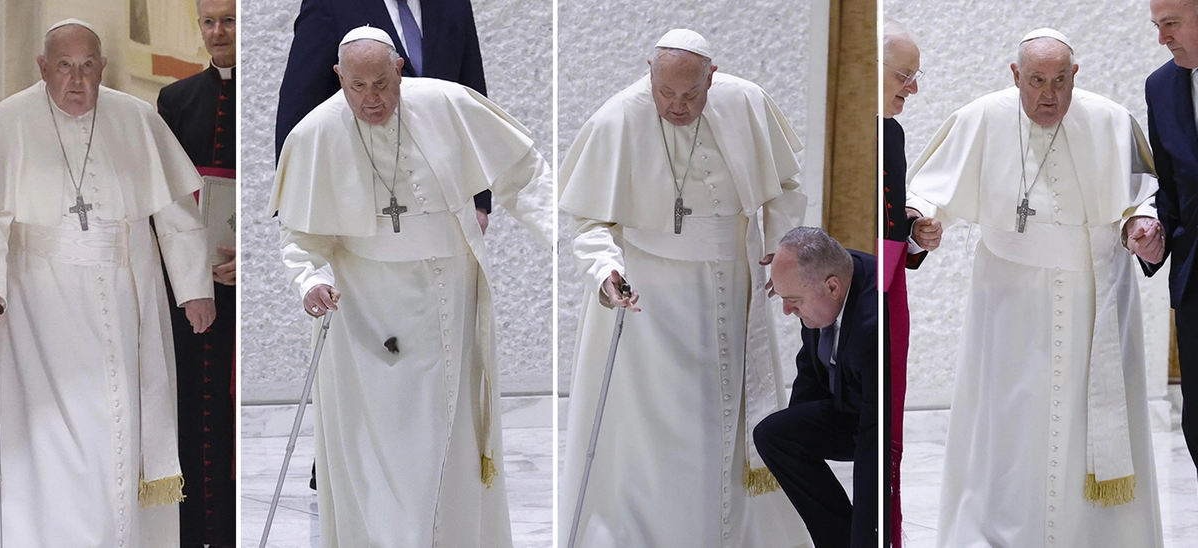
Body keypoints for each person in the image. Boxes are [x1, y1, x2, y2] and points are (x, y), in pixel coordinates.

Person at [267, 26, 551, 546]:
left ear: (399, 68)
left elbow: (525, 174)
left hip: (448, 296)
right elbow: (301, 236)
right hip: (362, 309)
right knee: (381, 449)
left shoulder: (447, 104)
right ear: (339, 78)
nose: (371, 99)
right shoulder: (314, 134)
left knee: (446, 440)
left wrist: (562, 241)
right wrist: (311, 281)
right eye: (357, 87)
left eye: (381, 83)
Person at [0, 19, 215, 547]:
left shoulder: (137, 119)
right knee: (47, 442)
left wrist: (194, 287)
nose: (77, 80)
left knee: (117, 434)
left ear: (103, 66)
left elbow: (174, 212)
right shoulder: (7, 124)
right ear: (43, 69)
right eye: (65, 67)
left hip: (127, 301)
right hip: (36, 311)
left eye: (88, 65)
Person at [906, 28, 1163, 547]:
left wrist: (1142, 226)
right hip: (1010, 303)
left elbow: (1144, 196)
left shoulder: (1112, 120)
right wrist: (920, 223)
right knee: (1012, 426)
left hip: (1098, 297)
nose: (1049, 94)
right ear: (1015, 76)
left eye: (1060, 81)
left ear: (1076, 76)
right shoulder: (982, 117)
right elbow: (926, 192)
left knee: (1089, 424)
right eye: (1037, 81)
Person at [557, 28, 812, 547]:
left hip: (733, 281)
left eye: (690, 95)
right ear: (648, 73)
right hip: (651, 295)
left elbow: (785, 184)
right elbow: (589, 223)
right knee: (660, 431)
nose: (675, 106)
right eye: (664, 93)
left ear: (711, 79)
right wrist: (606, 270)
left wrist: (782, 240)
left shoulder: (746, 103)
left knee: (726, 421)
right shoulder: (617, 118)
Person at [274, 0, 491, 234]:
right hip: (366, 198)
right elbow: (299, 103)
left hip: (447, 197)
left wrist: (480, 199)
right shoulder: (329, 5)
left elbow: (472, 96)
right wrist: (295, 209)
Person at [155, 0, 237, 545]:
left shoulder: (272, 93)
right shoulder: (176, 98)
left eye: (228, 19)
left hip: (246, 286)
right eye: (208, 21)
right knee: (192, 400)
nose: (217, 31)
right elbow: (163, 191)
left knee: (228, 410)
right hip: (191, 282)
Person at [753, 226, 877, 548]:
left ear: (832, 287)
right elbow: (810, 366)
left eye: (792, 300)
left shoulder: (871, 326)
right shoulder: (824, 283)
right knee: (775, 434)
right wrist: (799, 442)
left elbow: (872, 446)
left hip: (876, 421)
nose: (786, 310)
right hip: (845, 404)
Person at [880, 19, 938, 548]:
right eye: (904, 75)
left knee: (887, 425)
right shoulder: (841, 132)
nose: (912, 88)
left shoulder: (891, 131)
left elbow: (889, 217)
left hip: (888, 286)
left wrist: (916, 229)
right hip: (845, 292)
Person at [1144, 0, 1198, 474]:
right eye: (1158, 26)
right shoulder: (1160, 87)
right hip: (1195, 280)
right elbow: (1168, 185)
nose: (1163, 37)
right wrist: (1148, 229)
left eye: (1172, 24)